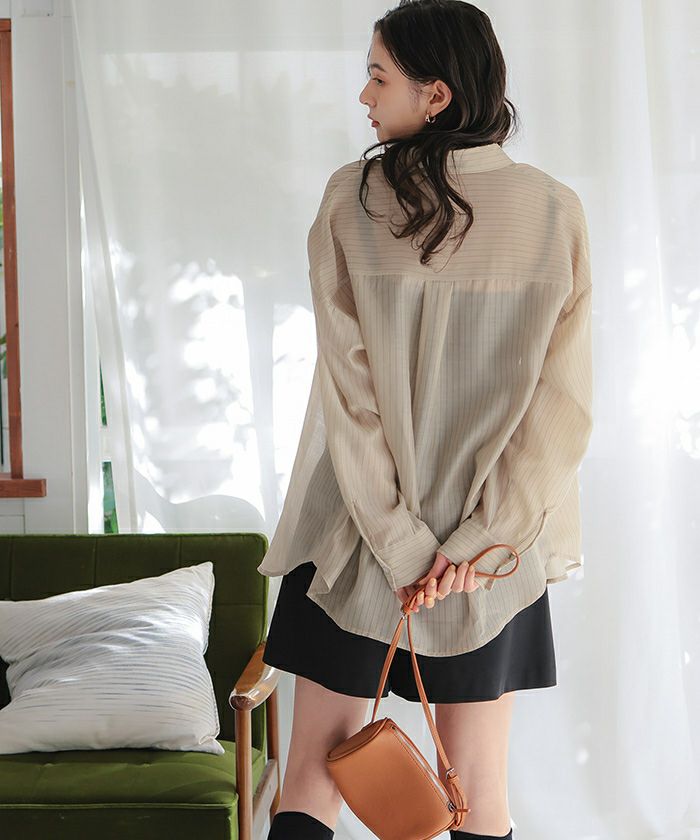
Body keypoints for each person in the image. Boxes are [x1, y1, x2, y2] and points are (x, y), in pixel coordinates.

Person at [257, 1, 594, 838]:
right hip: (489, 563)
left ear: (435, 94)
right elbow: (563, 408)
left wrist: (403, 544)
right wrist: (479, 542)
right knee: (475, 788)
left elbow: (350, 398)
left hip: (355, 537)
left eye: (378, 76)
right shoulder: (555, 211)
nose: (364, 96)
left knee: (311, 776)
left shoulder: (351, 201)